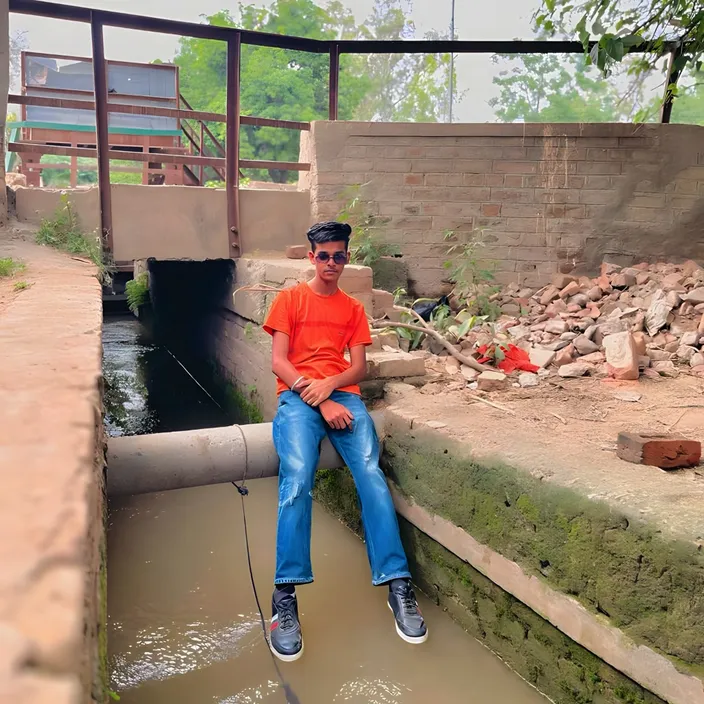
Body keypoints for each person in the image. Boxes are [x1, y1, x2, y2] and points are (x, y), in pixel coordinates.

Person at [262, 221, 428, 662]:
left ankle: (397, 584)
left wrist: (331, 389)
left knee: (372, 476)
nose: (332, 263)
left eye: (339, 256)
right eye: (324, 255)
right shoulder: (290, 299)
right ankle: (284, 599)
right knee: (297, 477)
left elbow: (358, 369)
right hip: (298, 398)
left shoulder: (352, 309)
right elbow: (279, 361)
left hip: (344, 398)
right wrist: (314, 397)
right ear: (311, 257)